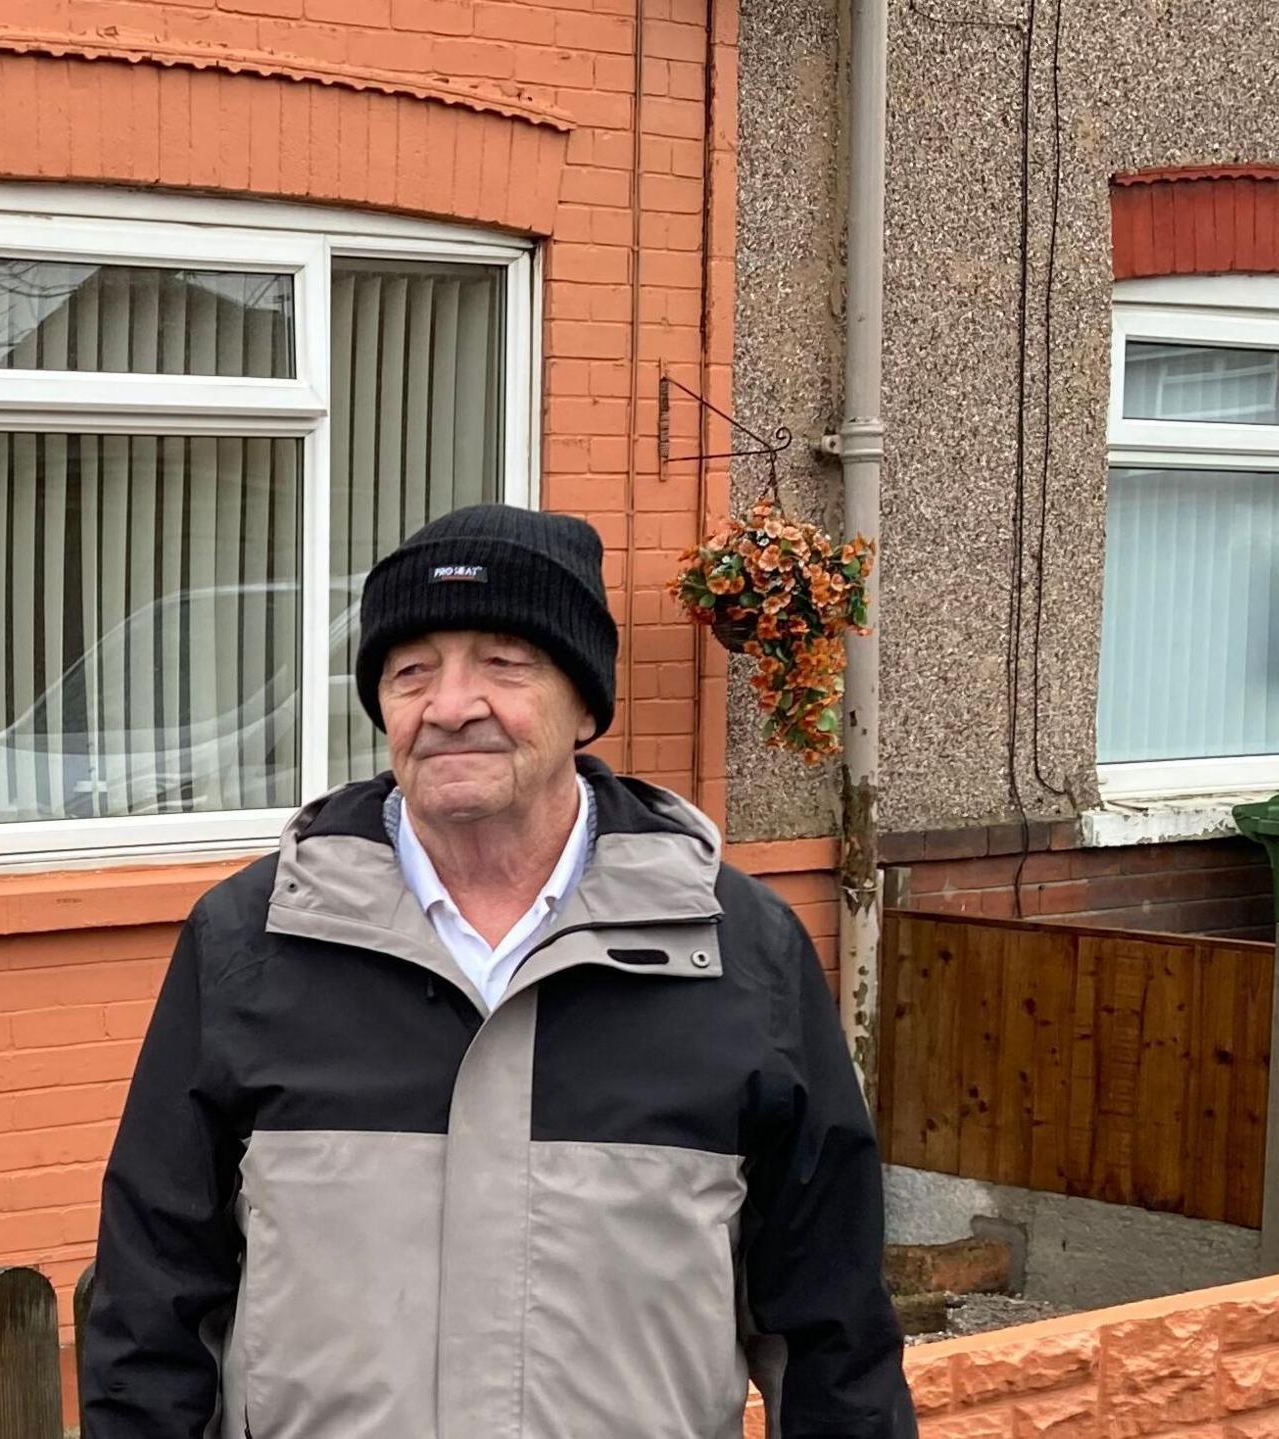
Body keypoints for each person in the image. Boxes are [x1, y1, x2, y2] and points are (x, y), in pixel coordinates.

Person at [81, 505, 915, 1438]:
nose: (450, 706)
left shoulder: (737, 951)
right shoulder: (251, 942)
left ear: (584, 703)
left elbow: (834, 1338)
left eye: (503, 663)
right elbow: (150, 1310)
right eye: (411, 670)